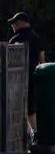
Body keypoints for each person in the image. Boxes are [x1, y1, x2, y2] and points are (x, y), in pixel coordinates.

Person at [8, 12, 44, 145]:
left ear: (22, 22)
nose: (13, 25)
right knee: (31, 108)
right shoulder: (37, 38)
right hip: (34, 77)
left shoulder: (15, 39)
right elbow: (42, 60)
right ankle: (34, 134)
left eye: (15, 22)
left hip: (16, 80)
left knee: (18, 107)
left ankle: (30, 135)